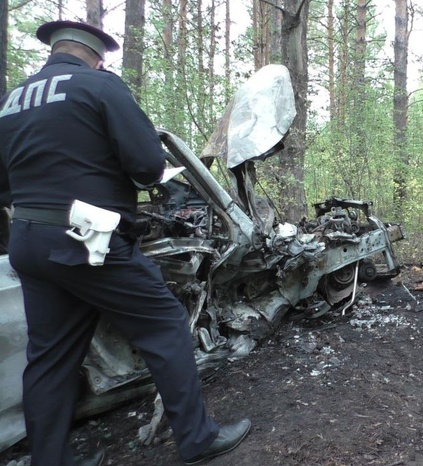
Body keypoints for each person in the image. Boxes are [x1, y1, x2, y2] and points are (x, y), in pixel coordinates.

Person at [0, 20, 251, 466]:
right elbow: (148, 164)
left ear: (55, 50)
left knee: (50, 355)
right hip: (85, 241)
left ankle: (50, 460)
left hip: (28, 241)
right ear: (96, 55)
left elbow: (3, 185)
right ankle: (196, 439)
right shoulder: (100, 86)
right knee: (165, 325)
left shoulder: (12, 99)